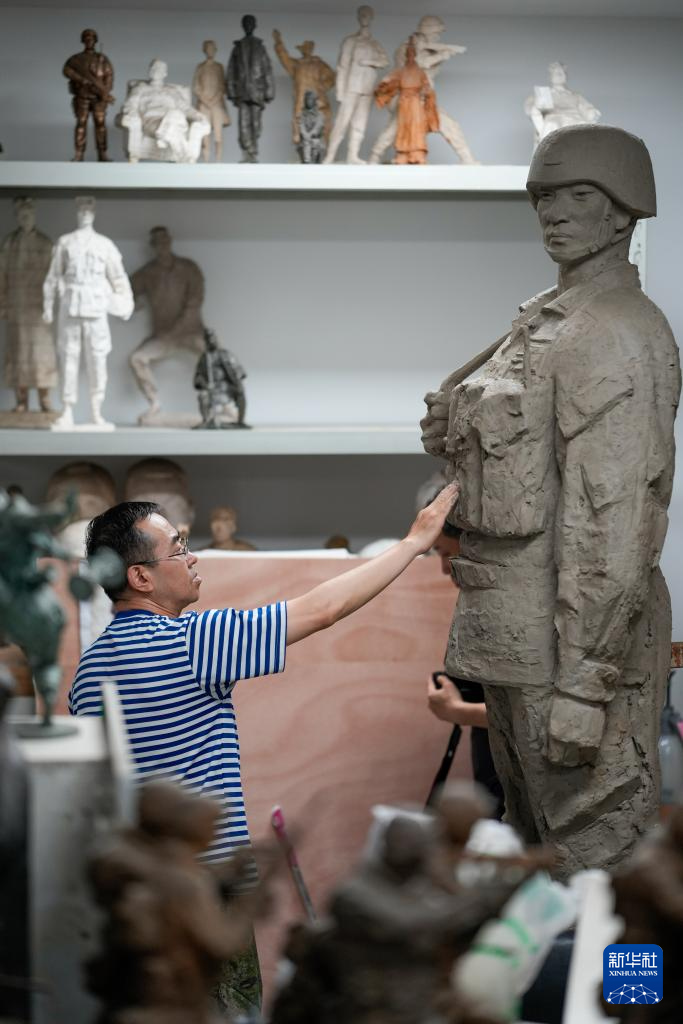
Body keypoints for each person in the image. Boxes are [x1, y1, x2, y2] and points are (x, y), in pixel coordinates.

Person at [68, 484, 457, 1011]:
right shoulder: (191, 642)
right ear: (140, 577)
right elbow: (324, 609)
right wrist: (413, 543)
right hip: (207, 887)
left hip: (135, 895)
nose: (193, 558)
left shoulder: (88, 670)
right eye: (179, 549)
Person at [421, 125, 680, 875]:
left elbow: (616, 520)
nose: (553, 213)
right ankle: (558, 962)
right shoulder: (544, 318)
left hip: (567, 644)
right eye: (543, 197)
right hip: (511, 627)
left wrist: (586, 683)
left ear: (623, 213)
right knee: (539, 849)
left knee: (600, 858)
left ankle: (625, 969)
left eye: (578, 195)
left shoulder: (616, 331)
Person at [426, 518, 504, 818]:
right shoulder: (477, 604)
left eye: (446, 553)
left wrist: (458, 711)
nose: (444, 568)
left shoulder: (506, 611)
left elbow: (532, 714)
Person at [43, 196, 133, 429]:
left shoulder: (105, 244)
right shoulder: (65, 242)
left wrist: (125, 304)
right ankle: (67, 409)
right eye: (81, 210)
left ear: (93, 214)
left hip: (96, 308)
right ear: (77, 214)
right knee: (68, 358)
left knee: (98, 359)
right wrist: (48, 306)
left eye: (88, 211)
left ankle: (96, 411)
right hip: (71, 307)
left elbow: (118, 277)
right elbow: (53, 276)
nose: (84, 214)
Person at [129, 226, 205, 425]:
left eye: (165, 240)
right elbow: (124, 288)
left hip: (191, 332)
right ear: (152, 245)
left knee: (218, 358)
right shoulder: (148, 273)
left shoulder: (188, 268)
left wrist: (176, 330)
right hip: (163, 336)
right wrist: (132, 304)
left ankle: (227, 406)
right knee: (138, 358)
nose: (162, 245)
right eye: (157, 242)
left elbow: (194, 303)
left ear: (170, 241)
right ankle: (154, 403)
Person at [0, 198, 56, 415]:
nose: (25, 219)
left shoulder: (46, 243)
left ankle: (44, 399)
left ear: (34, 216)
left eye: (28, 215)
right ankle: (21, 400)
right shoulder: (9, 243)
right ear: (17, 217)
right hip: (17, 306)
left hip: (39, 307)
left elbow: (53, 276)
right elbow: (1, 276)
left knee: (42, 353)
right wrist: (3, 303)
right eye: (21, 215)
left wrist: (50, 304)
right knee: (18, 353)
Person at [322, 5, 389, 165]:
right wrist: (340, 90)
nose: (364, 18)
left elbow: (385, 61)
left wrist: (370, 61)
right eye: (362, 15)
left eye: (367, 15)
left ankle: (353, 155)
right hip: (351, 86)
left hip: (367, 88)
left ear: (371, 18)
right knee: (342, 122)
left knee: (360, 123)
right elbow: (343, 65)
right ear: (358, 18)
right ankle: (330, 156)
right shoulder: (351, 41)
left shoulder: (375, 43)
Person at [374, 37, 439, 165]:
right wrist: (384, 86)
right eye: (408, 53)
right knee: (403, 127)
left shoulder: (420, 72)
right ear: (405, 55)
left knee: (417, 127)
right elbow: (390, 83)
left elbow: (426, 87)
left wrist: (426, 92)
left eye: (412, 53)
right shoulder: (400, 71)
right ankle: (402, 154)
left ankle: (417, 154)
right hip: (404, 102)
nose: (410, 56)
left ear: (415, 55)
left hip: (416, 102)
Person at [272, 31, 335, 146]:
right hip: (301, 101)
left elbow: (331, 78)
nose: (307, 50)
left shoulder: (319, 64)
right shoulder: (297, 65)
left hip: (319, 100)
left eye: (308, 48)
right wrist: (278, 42)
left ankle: (327, 150)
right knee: (300, 127)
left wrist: (321, 88)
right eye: (305, 48)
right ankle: (303, 148)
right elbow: (284, 58)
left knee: (324, 124)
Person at [226, 15, 275, 163]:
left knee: (256, 124)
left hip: (257, 91)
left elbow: (267, 69)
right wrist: (231, 91)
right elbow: (231, 71)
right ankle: (247, 152)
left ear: (254, 25)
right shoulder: (237, 48)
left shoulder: (260, 47)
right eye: (246, 23)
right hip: (242, 91)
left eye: (250, 23)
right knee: (243, 124)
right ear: (243, 26)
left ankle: (253, 149)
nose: (248, 26)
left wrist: (269, 90)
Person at [63, 28, 115, 162]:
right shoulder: (76, 59)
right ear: (83, 41)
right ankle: (79, 153)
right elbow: (67, 70)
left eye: (91, 39)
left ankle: (102, 153)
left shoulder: (102, 59)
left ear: (95, 41)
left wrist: (104, 92)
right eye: (86, 39)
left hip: (99, 97)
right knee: (81, 123)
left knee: (101, 124)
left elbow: (109, 76)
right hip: (82, 96)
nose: (89, 41)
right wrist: (81, 80)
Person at [192, 40, 231, 163]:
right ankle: (206, 161)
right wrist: (205, 100)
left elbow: (222, 86)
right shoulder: (200, 67)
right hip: (204, 105)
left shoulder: (219, 67)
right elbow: (196, 87)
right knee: (205, 134)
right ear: (205, 50)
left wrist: (214, 100)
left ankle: (218, 161)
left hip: (217, 104)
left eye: (212, 48)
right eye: (208, 48)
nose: (210, 51)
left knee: (218, 135)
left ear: (215, 50)